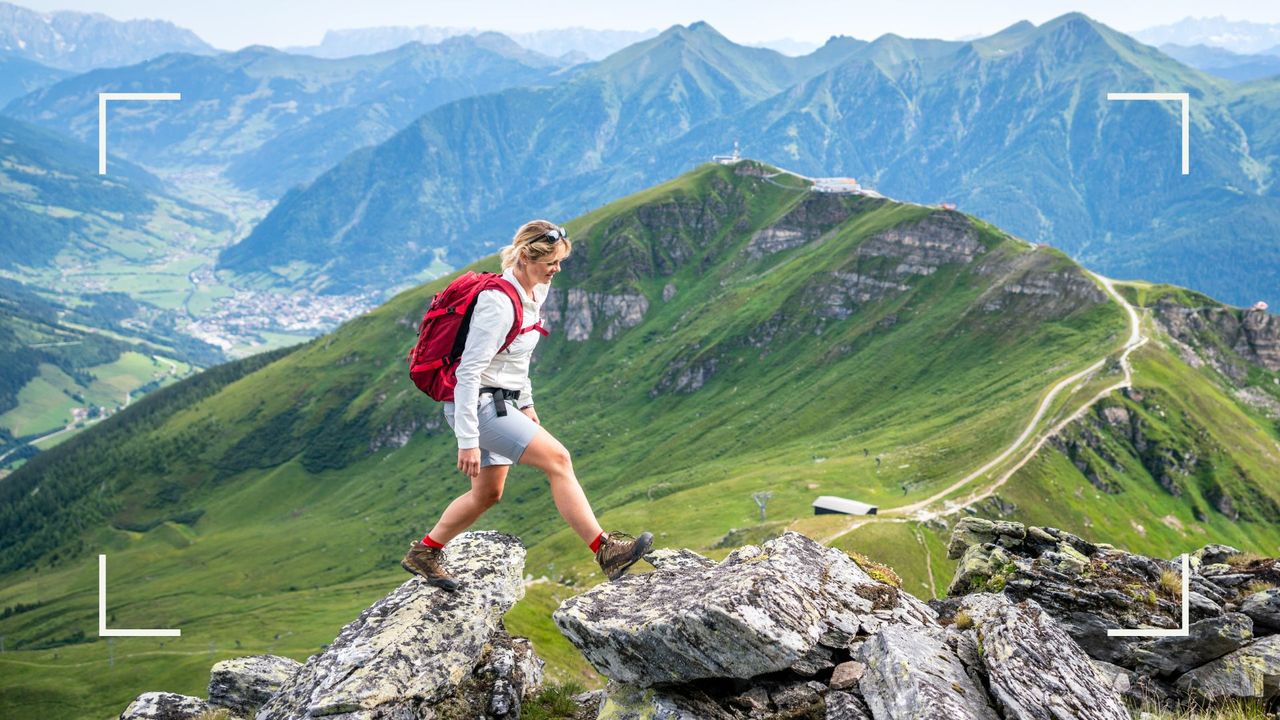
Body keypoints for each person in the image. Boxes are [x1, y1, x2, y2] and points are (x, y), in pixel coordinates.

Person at [401, 219, 653, 591]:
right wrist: (468, 440)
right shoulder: (498, 303)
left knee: (487, 494)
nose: (557, 269)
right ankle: (607, 551)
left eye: (559, 261)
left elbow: (517, 359)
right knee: (559, 460)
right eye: (551, 262)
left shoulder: (536, 292)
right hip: (480, 408)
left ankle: (424, 553)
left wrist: (527, 401)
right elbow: (469, 374)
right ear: (525, 257)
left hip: (502, 402)